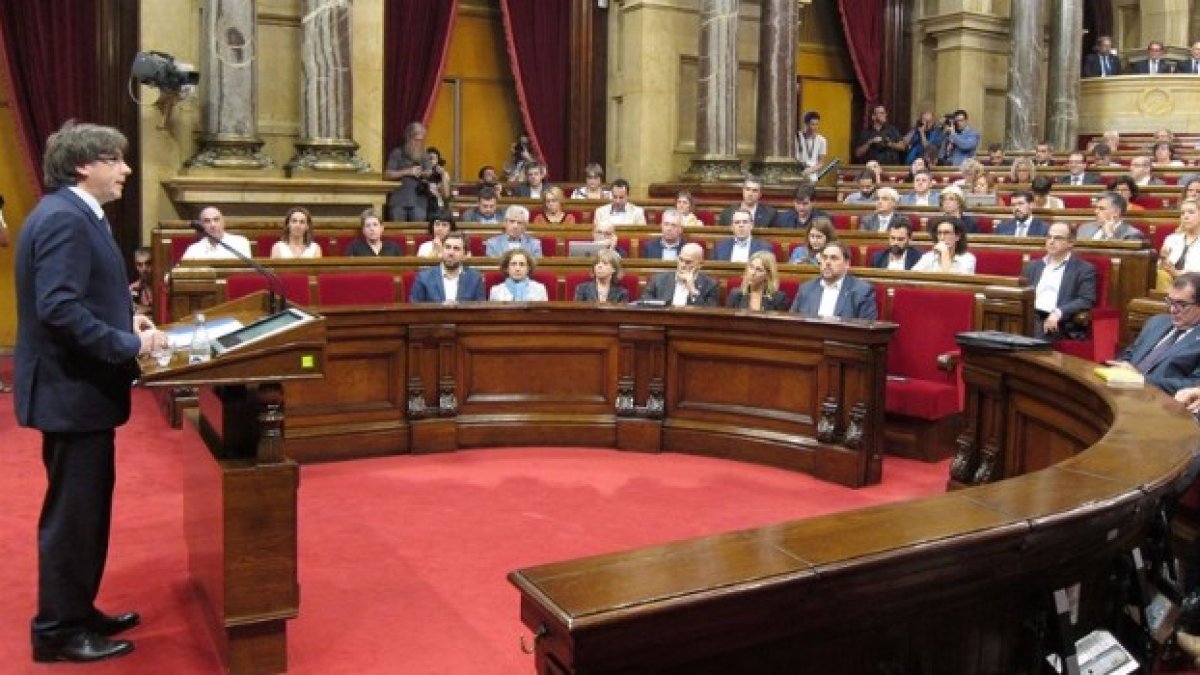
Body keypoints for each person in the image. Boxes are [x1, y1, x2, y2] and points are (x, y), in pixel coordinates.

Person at [15, 120, 166, 664]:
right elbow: (58, 308)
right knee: (74, 516)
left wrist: (128, 319)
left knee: (87, 512)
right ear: (84, 165)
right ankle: (57, 630)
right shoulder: (64, 218)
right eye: (115, 159)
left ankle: (77, 610)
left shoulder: (76, 213)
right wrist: (127, 344)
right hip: (70, 392)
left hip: (79, 392)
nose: (126, 168)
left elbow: (83, 296)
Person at [1107, 273, 1200, 395]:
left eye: (1181, 305)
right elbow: (1130, 355)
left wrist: (1140, 379)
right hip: (1121, 391)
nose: (1172, 310)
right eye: (1170, 302)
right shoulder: (1156, 322)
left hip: (1160, 401)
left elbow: (1194, 384)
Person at [1022, 223, 1096, 340]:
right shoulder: (1033, 266)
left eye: (1057, 238)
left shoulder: (1083, 269)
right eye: (1049, 237)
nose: (1051, 241)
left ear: (1071, 242)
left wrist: (1059, 313)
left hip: (1058, 322)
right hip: (1029, 316)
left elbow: (1086, 300)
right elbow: (1022, 293)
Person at [790, 242, 878, 320]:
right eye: (824, 258)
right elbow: (792, 323)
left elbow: (867, 330)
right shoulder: (806, 288)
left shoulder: (862, 291)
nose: (827, 262)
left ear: (847, 264)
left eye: (834, 258)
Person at [409, 231, 486, 303]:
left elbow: (480, 310)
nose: (451, 253)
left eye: (456, 248)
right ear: (441, 251)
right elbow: (415, 309)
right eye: (447, 247)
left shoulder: (475, 278)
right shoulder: (424, 277)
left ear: (465, 255)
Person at [639, 242, 718, 306]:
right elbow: (644, 304)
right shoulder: (659, 280)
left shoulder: (710, 285)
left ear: (700, 264)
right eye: (680, 260)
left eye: (688, 262)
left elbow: (708, 315)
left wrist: (692, 290)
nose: (682, 265)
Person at [384, 121, 432, 222]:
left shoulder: (425, 155)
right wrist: (408, 172)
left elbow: (429, 173)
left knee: (418, 229)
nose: (418, 143)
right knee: (398, 230)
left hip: (419, 201)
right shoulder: (397, 153)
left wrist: (422, 173)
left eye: (421, 140)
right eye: (416, 140)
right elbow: (387, 174)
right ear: (408, 138)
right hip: (398, 200)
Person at [1158, 199, 1200, 290]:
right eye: (1182, 213)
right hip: (1169, 283)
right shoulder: (1171, 239)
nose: (1186, 216)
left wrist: (1177, 273)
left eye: (1191, 212)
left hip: (1195, 285)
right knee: (1160, 275)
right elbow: (1161, 268)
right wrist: (1163, 260)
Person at [182, 206, 252, 259]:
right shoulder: (194, 249)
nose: (212, 225)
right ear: (202, 225)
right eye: (207, 221)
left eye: (216, 220)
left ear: (223, 222)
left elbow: (246, 271)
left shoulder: (240, 243)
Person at [1077, 192, 1146, 241]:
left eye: (1101, 208)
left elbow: (1122, 256)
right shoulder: (1085, 228)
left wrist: (1109, 234)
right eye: (1096, 208)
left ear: (1116, 212)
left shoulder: (1132, 235)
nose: (1096, 211)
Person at [128, 246, 154, 316]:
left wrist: (148, 309)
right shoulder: (132, 289)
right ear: (136, 266)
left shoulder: (162, 287)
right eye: (140, 265)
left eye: (148, 263)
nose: (144, 269)